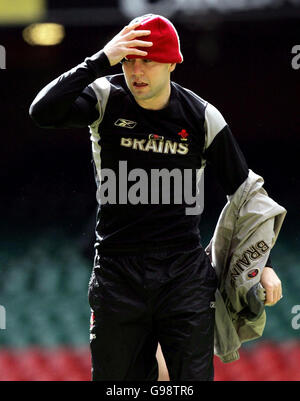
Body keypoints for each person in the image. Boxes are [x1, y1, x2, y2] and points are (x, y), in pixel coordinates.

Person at [29, 14, 282, 381]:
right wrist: (101, 59)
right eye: (130, 59)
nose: (137, 70)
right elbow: (42, 111)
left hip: (183, 274)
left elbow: (247, 194)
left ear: (172, 63)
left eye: (147, 60)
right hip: (117, 273)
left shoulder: (202, 116)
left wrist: (265, 263)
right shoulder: (104, 98)